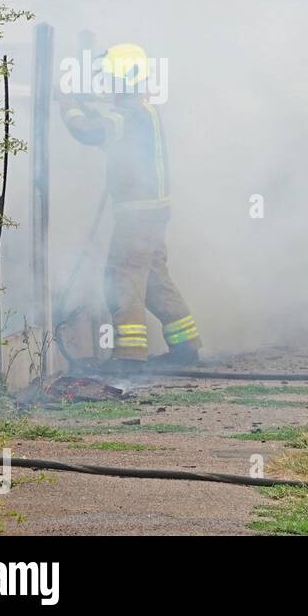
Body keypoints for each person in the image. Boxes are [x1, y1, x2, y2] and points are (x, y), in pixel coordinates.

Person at [61, 43, 201, 375]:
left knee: (122, 277)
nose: (107, 85)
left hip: (136, 215)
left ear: (124, 79)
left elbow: (89, 132)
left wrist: (69, 108)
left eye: (110, 78)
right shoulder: (141, 110)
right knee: (153, 278)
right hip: (152, 213)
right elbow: (112, 129)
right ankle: (185, 346)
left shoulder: (128, 113)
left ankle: (129, 357)